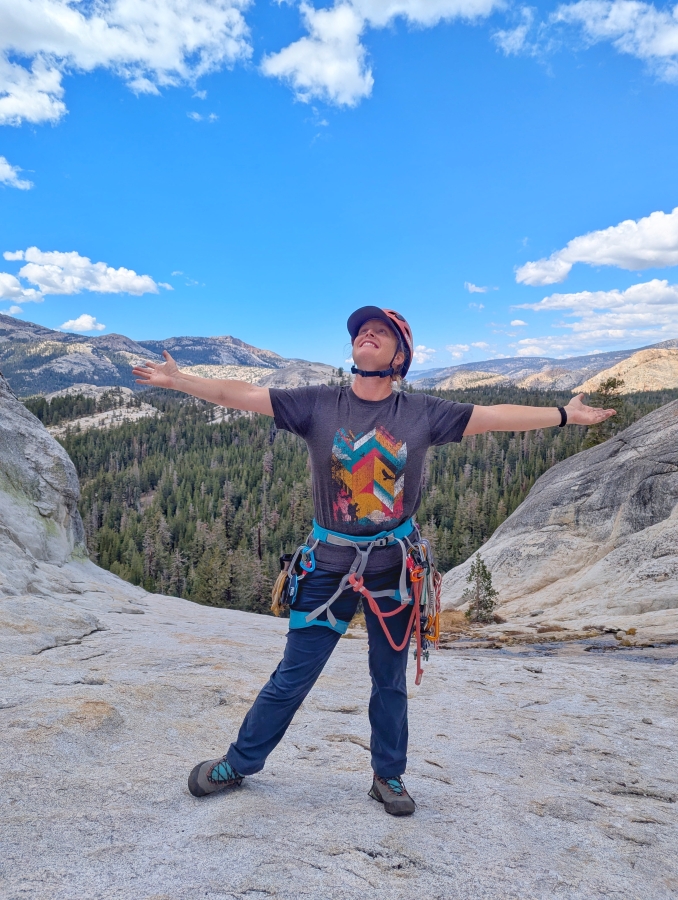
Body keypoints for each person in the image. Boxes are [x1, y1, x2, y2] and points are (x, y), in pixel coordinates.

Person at [132, 307, 615, 816]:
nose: (367, 334)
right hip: (327, 566)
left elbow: (495, 415)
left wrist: (567, 415)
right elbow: (240, 394)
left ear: (400, 356)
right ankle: (241, 761)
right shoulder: (318, 404)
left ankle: (388, 776)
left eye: (381, 332)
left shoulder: (422, 412)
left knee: (389, 678)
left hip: (394, 569)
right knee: (293, 675)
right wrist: (181, 380)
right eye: (362, 330)